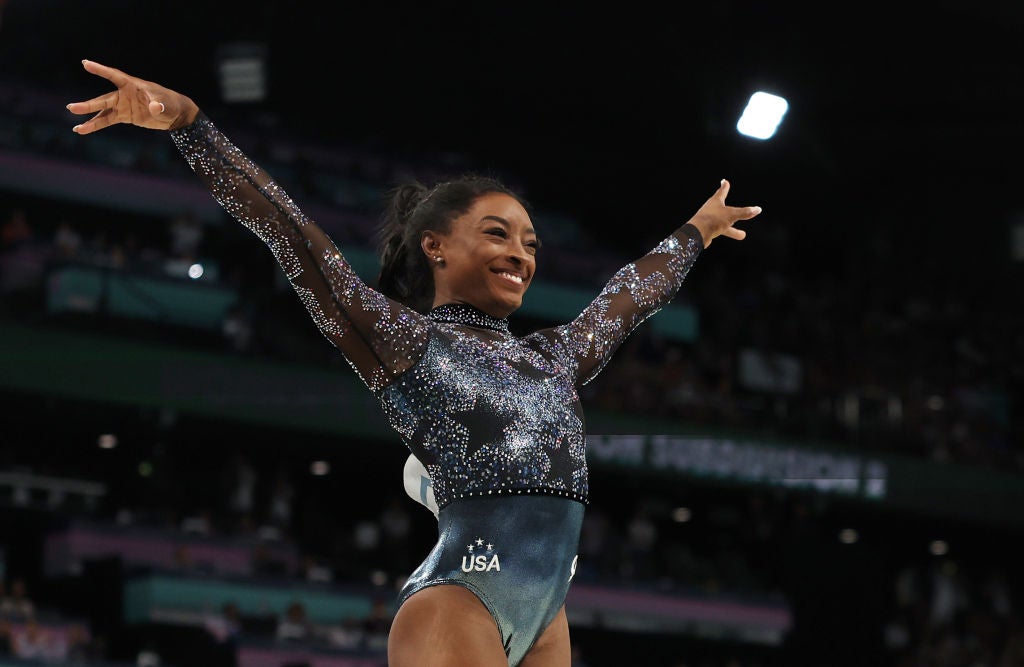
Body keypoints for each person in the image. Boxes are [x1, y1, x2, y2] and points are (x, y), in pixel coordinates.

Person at [66, 59, 762, 667]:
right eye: (497, 234)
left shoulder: (553, 357)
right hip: (460, 602)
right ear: (435, 247)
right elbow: (291, 235)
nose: (521, 254)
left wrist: (697, 231)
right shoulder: (405, 341)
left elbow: (626, 299)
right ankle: (427, 483)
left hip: (546, 612)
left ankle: (425, 483)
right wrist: (191, 125)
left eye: (530, 243)